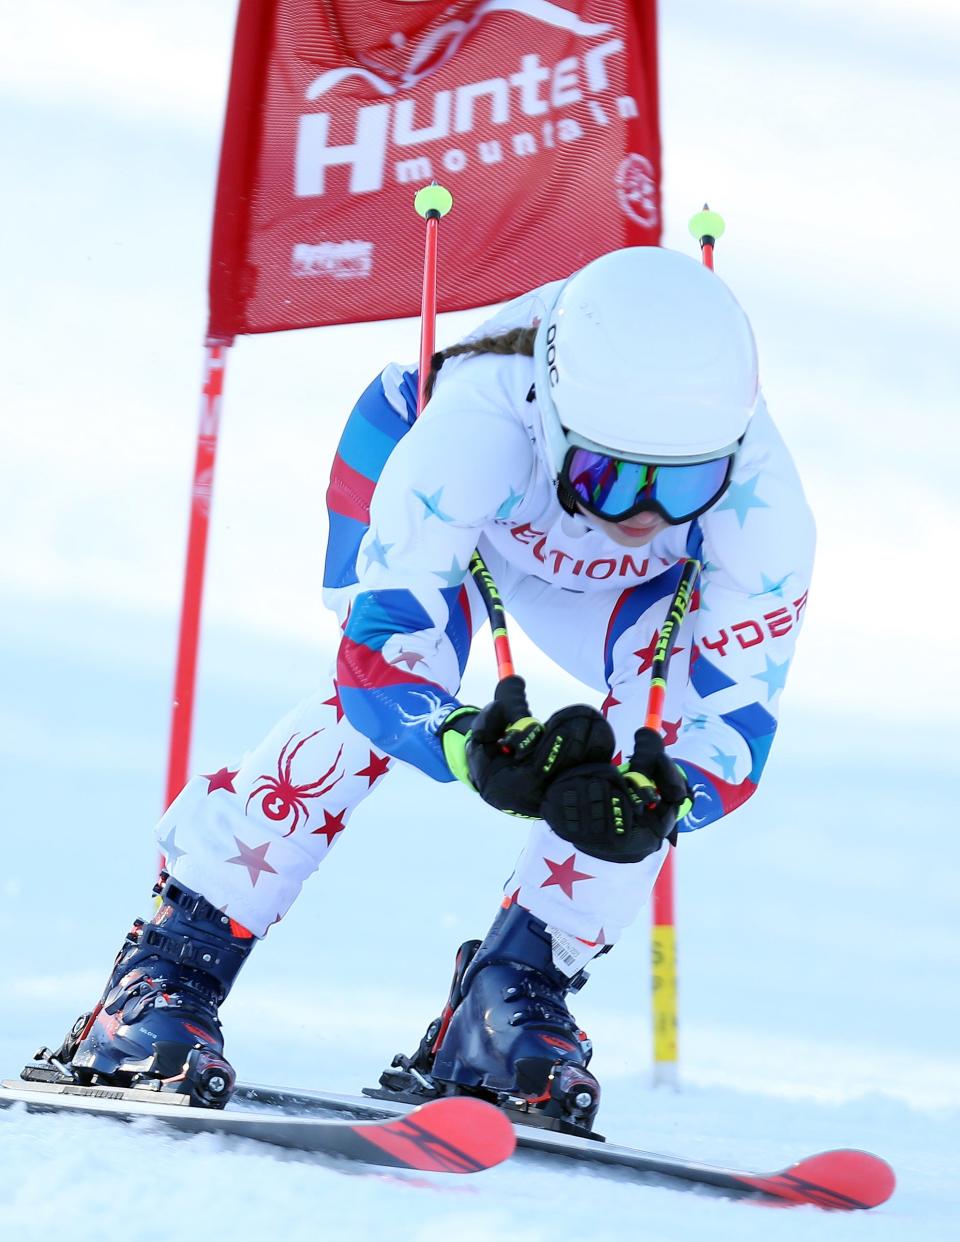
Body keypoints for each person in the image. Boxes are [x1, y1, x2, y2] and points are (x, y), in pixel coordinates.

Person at [49, 246, 815, 1125]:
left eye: (682, 484)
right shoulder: (470, 427)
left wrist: (667, 797)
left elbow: (734, 731)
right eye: (611, 473)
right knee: (368, 721)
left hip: (616, 581)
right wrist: (470, 741)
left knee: (638, 777)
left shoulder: (767, 512)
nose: (641, 509)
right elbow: (380, 664)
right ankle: (164, 970)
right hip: (446, 497)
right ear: (556, 419)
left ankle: (511, 991)